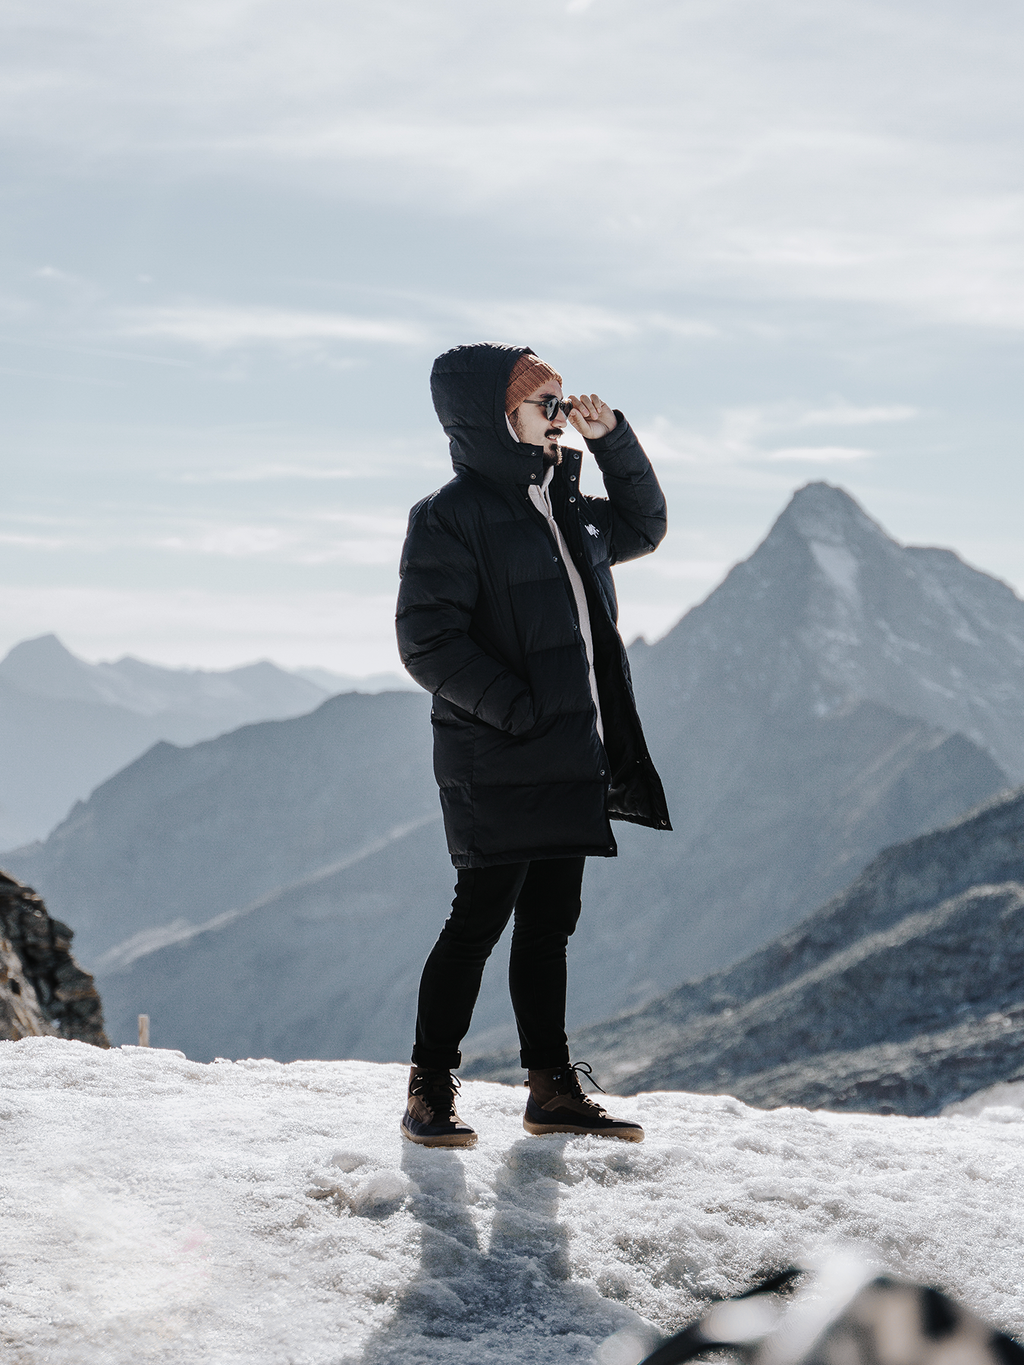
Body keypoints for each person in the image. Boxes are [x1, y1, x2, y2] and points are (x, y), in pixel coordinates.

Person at [395, 342, 671, 1148]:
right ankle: (429, 1089)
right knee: (477, 918)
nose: (559, 416)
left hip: (565, 753)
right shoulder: (451, 516)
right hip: (499, 754)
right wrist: (519, 712)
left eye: (561, 403)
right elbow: (427, 642)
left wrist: (611, 438)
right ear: (496, 416)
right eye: (544, 403)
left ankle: (550, 1086)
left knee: (551, 920)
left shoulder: (571, 509)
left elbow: (647, 526)